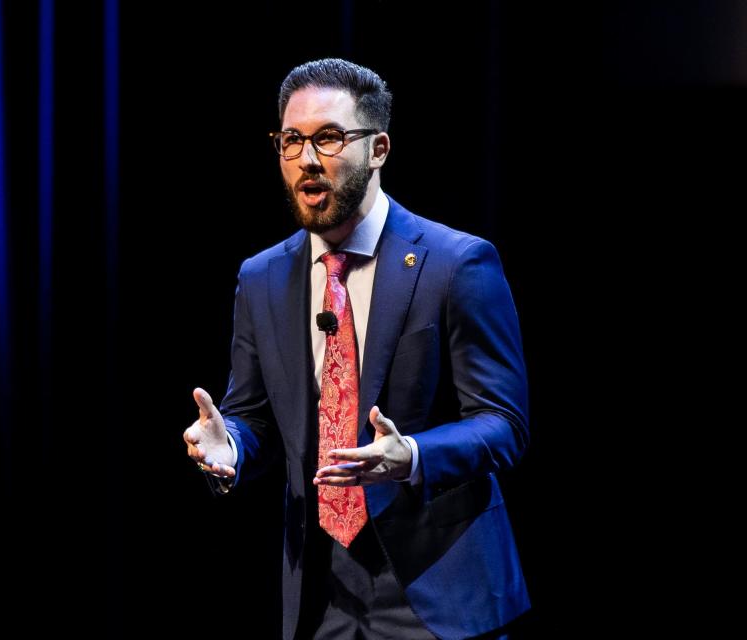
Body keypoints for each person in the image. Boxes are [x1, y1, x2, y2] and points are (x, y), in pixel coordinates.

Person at [183, 58, 530, 640]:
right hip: (322, 593)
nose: (308, 160)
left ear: (379, 148)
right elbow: (254, 418)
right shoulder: (263, 277)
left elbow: (503, 423)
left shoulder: (458, 264)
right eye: (291, 141)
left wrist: (413, 455)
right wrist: (231, 448)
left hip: (441, 589)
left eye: (329, 137)